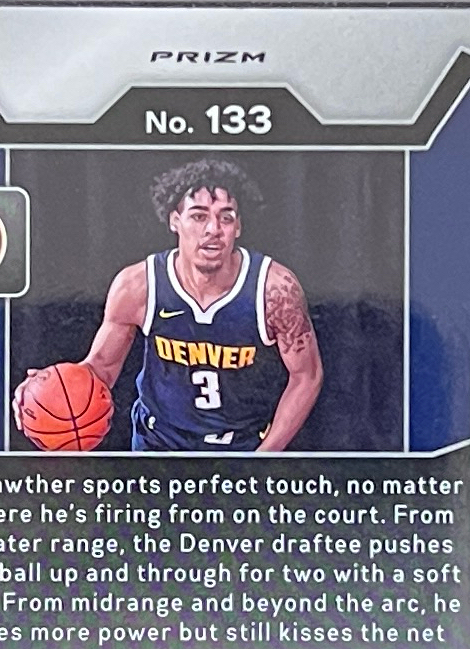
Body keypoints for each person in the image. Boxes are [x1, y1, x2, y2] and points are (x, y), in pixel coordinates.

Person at [17, 159, 323, 452]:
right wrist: (47, 391)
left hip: (243, 445)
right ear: (174, 221)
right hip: (158, 444)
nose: (213, 229)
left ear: (238, 227)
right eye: (199, 216)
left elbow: (306, 377)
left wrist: (264, 457)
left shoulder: (274, 289)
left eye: (226, 217)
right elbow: (102, 369)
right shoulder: (138, 286)